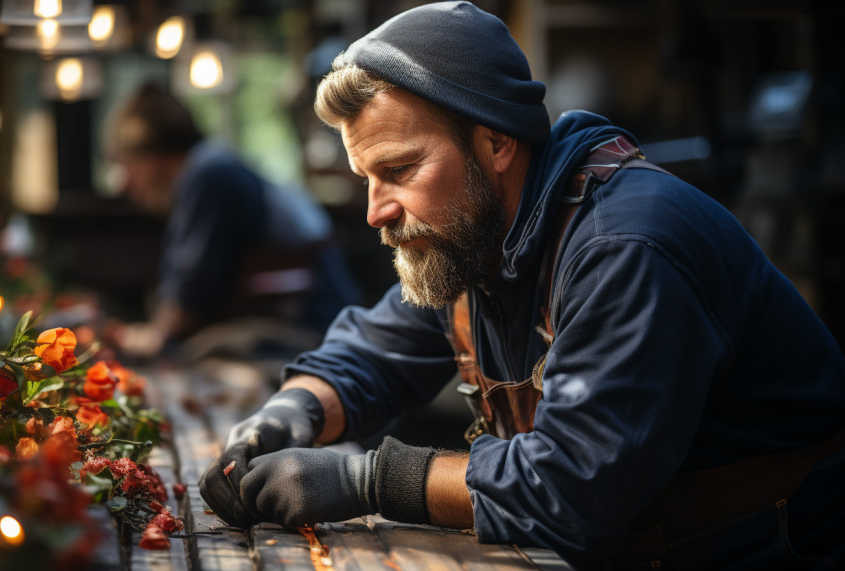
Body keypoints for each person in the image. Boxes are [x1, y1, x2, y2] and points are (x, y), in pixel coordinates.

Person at [198, 3, 845, 569]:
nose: (377, 210)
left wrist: (368, 478)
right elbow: (371, 351)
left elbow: (573, 493)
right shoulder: (474, 238)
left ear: (497, 140)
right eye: (367, 176)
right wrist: (295, 410)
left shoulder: (622, 245)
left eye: (399, 169)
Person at [102, 81, 360, 358]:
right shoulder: (209, 168)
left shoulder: (209, 177)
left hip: (311, 335)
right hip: (309, 327)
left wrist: (150, 338)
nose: (125, 183)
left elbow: (190, 303)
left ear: (153, 156)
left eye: (126, 163)